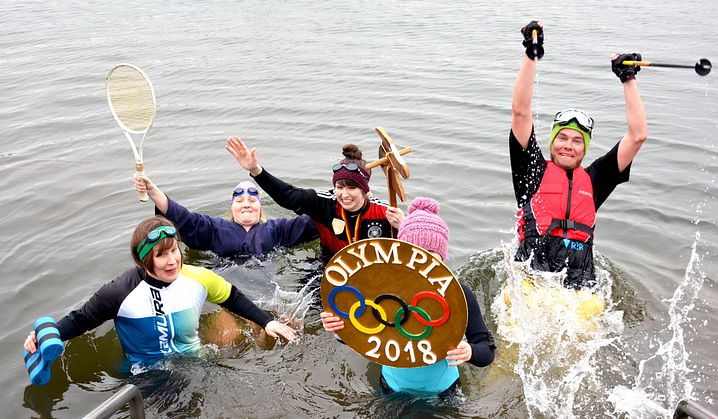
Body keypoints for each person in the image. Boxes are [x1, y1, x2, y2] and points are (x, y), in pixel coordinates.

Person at [23, 216, 297, 374]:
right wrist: (44, 335)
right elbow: (81, 319)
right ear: (143, 261)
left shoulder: (199, 278)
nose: (172, 261)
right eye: (161, 255)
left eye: (174, 250)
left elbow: (233, 298)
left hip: (195, 365)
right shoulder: (120, 292)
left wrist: (266, 321)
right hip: (143, 374)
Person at [509, 21, 648, 289]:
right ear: (552, 142)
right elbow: (520, 112)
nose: (568, 145)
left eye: (576, 141)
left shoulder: (595, 179)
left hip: (581, 279)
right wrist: (531, 53)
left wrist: (628, 79)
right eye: (562, 138)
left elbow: (638, 135)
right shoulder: (532, 171)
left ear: (584, 148)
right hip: (532, 273)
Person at [320, 197, 496, 397]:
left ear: (441, 255)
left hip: (443, 391)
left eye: (429, 252)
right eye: (413, 251)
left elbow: (487, 351)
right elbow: (364, 336)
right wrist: (338, 329)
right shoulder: (382, 290)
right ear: (401, 254)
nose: (421, 259)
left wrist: (469, 351)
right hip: (392, 387)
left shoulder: (458, 293)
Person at [225, 136, 405, 264]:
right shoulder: (324, 203)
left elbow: (411, 251)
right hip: (328, 269)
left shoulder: (384, 211)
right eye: (340, 187)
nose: (344, 194)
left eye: (352, 188)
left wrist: (404, 226)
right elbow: (289, 196)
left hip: (373, 273)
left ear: (365, 189)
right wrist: (256, 170)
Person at [133, 175, 318, 261]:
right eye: (239, 200)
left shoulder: (278, 228)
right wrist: (152, 191)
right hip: (229, 284)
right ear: (232, 208)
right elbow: (183, 218)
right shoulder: (214, 229)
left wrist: (343, 198)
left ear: (260, 208)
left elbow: (315, 220)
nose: (246, 204)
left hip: (268, 286)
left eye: (252, 200)